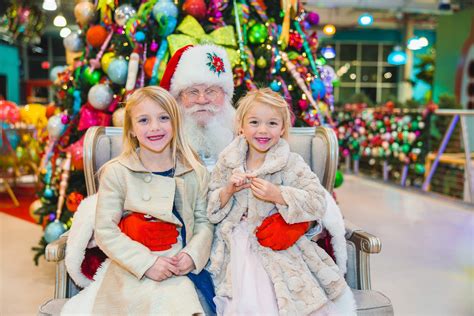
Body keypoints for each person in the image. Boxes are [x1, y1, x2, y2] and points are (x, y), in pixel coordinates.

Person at [61, 86, 214, 314]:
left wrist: (192, 256)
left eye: (163, 118)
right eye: (143, 120)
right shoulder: (117, 172)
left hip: (182, 267)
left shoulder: (194, 171)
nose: (154, 127)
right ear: (131, 129)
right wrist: (147, 263)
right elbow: (105, 230)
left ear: (175, 123)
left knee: (183, 300)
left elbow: (204, 221)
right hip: (134, 268)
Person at [206, 88, 356, 315]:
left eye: (272, 123)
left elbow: (317, 202)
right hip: (234, 245)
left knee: (274, 298)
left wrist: (279, 194)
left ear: (283, 128)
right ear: (241, 126)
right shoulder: (227, 162)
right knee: (243, 301)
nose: (263, 130)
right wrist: (228, 190)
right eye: (254, 122)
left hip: (277, 245)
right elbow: (211, 206)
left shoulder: (290, 163)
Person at [159, 44, 236, 170]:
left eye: (211, 91)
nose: (202, 100)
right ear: (178, 97)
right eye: (192, 92)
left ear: (226, 95)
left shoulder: (247, 137)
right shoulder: (160, 144)